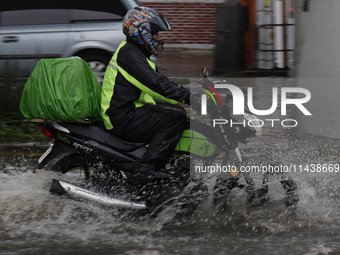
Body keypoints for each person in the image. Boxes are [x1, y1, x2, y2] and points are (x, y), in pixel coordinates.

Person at [101, 7, 191, 183]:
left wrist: (189, 95)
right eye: (156, 33)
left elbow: (160, 87)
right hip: (121, 117)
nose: (159, 38)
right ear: (141, 31)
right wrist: (190, 97)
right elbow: (156, 85)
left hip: (130, 111)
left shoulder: (138, 54)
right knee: (175, 117)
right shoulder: (129, 55)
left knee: (179, 116)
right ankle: (147, 169)